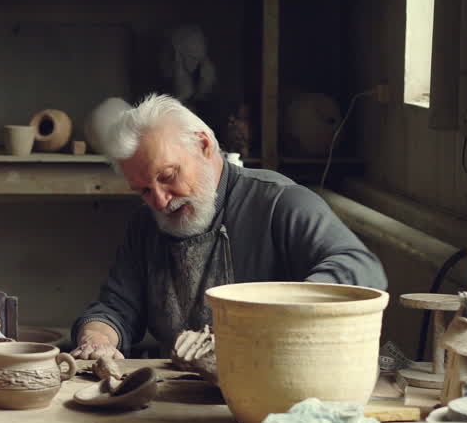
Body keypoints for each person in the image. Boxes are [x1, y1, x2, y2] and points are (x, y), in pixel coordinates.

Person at [72, 94, 387, 360]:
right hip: (182, 392)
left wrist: (281, 313)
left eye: (167, 176)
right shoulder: (146, 224)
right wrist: (96, 340)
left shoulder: (280, 203)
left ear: (203, 145)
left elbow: (361, 268)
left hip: (276, 385)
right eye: (143, 190)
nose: (159, 200)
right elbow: (115, 308)